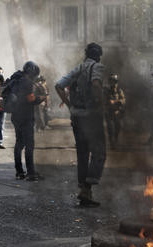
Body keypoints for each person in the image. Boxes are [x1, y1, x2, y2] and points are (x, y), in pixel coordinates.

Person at [55, 42, 106, 207]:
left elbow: (58, 85)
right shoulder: (97, 67)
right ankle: (87, 187)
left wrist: (70, 105)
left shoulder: (78, 68)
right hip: (91, 117)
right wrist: (101, 103)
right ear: (98, 55)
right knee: (99, 152)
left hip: (77, 116)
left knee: (83, 153)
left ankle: (85, 192)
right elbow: (97, 84)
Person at [10, 61, 46, 181]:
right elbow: (30, 99)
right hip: (26, 117)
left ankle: (19, 171)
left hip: (16, 116)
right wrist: (40, 98)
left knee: (19, 143)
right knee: (29, 145)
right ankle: (31, 173)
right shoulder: (27, 82)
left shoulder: (17, 80)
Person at [103, 73, 125, 149]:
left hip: (116, 112)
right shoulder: (106, 90)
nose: (114, 83)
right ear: (110, 82)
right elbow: (104, 100)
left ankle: (115, 140)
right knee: (110, 128)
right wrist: (109, 102)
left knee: (117, 127)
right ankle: (112, 142)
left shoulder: (119, 90)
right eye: (112, 81)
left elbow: (123, 100)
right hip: (108, 112)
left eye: (115, 81)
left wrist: (117, 102)